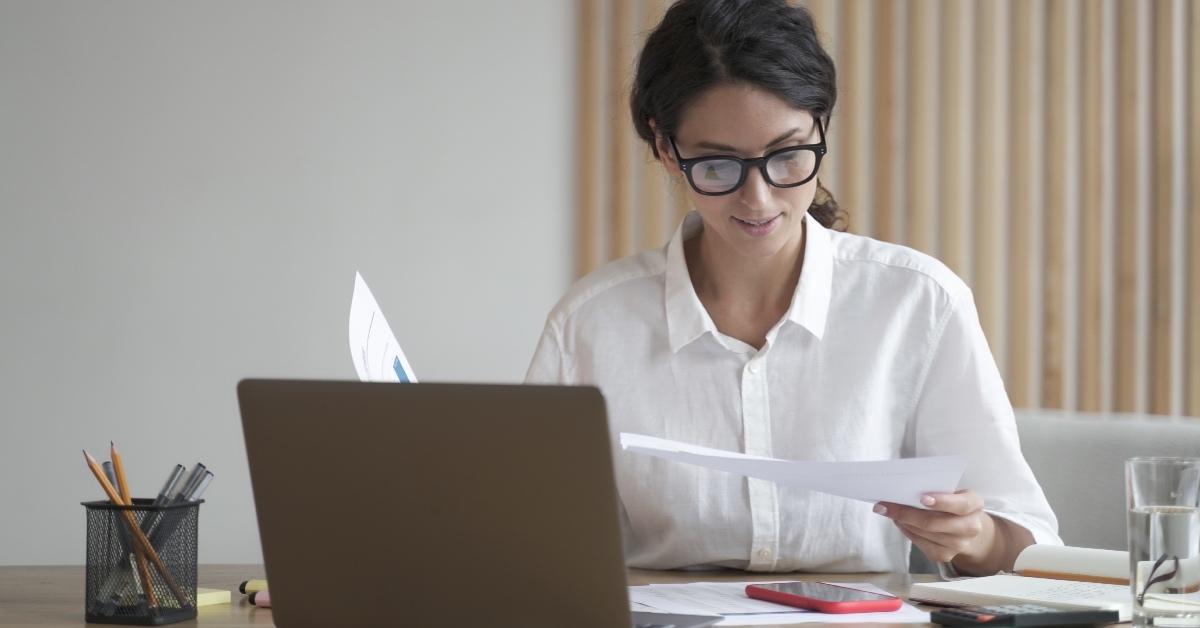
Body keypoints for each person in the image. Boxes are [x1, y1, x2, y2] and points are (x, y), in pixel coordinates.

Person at [525, 0, 1060, 575]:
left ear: (821, 128)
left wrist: (972, 536)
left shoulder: (917, 303)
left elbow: (1030, 551)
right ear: (665, 149)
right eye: (717, 165)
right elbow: (526, 540)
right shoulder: (592, 324)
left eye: (786, 156)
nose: (758, 198)